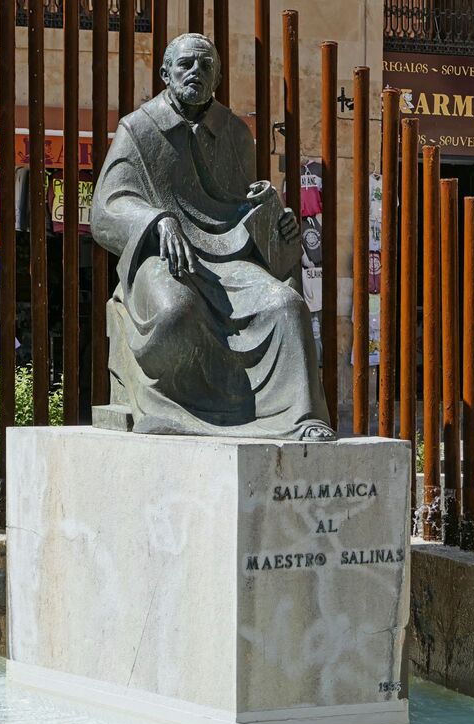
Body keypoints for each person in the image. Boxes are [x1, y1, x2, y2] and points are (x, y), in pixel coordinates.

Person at [91, 33, 333, 440]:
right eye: (185, 64)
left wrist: (274, 222)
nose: (195, 73)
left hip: (230, 260)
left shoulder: (235, 134)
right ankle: (174, 414)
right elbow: (107, 207)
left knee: (286, 306)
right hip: (165, 256)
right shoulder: (138, 130)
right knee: (176, 311)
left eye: (205, 66)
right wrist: (155, 221)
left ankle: (299, 419)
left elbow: (238, 207)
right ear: (166, 72)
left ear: (218, 77)